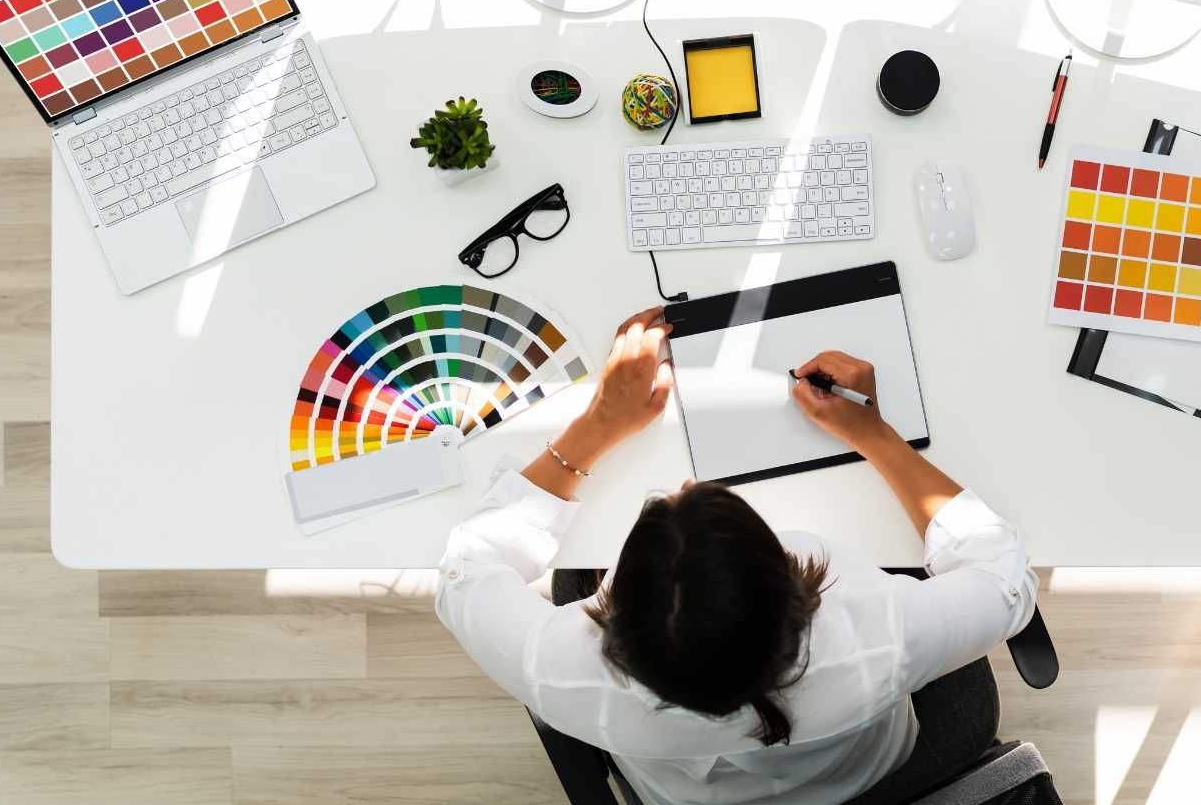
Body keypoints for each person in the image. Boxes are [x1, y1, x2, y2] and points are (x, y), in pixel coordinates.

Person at [436, 309, 1037, 805]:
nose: (684, 486)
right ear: (791, 586)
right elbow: (1005, 573)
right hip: (871, 772)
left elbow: (465, 573)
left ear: (612, 613)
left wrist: (597, 425)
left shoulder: (557, 670)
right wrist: (875, 434)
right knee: (897, 544)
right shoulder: (878, 632)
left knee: (569, 565)